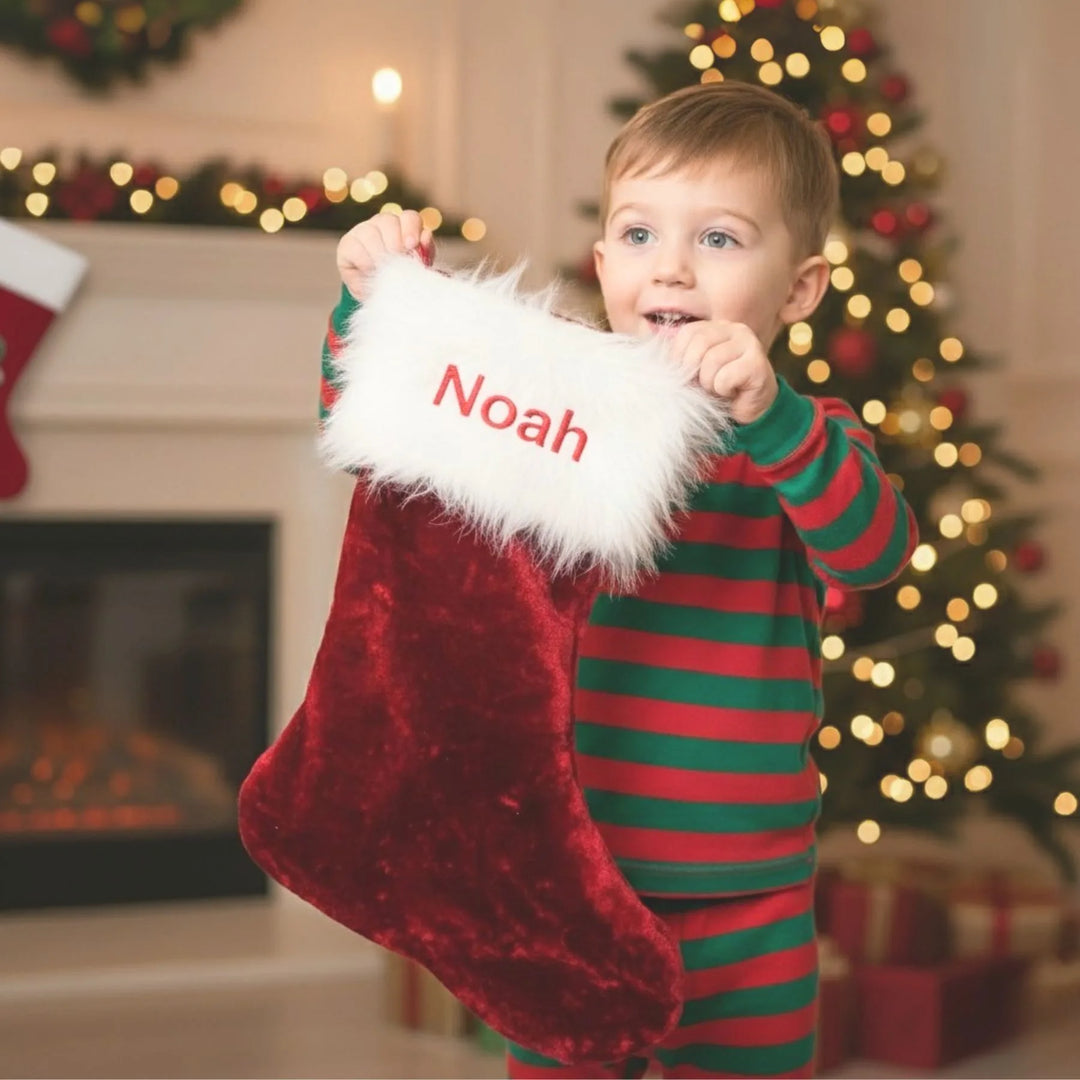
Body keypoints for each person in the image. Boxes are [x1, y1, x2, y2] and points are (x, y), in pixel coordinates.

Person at [321, 81, 918, 1079]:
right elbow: (387, 429)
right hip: (566, 877)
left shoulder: (799, 443)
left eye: (720, 240)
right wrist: (374, 305)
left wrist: (772, 417)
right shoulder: (558, 417)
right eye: (639, 235)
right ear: (603, 265)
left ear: (801, 289)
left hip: (753, 897)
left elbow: (873, 549)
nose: (672, 266)